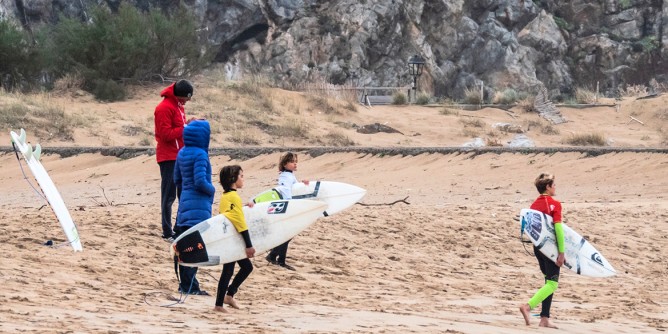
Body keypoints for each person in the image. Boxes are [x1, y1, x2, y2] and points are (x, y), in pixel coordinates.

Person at [173, 119, 215, 296]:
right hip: (198, 205)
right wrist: (211, 189)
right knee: (196, 248)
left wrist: (183, 196)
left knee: (185, 247)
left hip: (185, 204)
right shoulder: (200, 154)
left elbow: (177, 179)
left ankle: (187, 284)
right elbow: (200, 181)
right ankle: (190, 286)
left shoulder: (182, 152)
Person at [519, 173, 565, 329]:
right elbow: (558, 229)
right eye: (554, 185)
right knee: (552, 284)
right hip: (551, 249)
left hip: (538, 247)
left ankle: (544, 318)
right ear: (547, 187)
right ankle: (528, 306)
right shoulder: (555, 204)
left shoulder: (534, 205)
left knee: (548, 281)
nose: (555, 187)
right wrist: (561, 252)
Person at [154, 79, 195, 242]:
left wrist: (187, 124)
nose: (187, 101)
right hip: (168, 157)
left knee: (183, 194)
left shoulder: (179, 106)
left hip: (180, 155)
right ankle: (167, 231)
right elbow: (165, 135)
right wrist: (185, 128)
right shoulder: (163, 108)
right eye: (186, 98)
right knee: (168, 195)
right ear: (179, 95)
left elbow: (178, 129)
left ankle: (179, 228)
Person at [215, 165, 256, 313]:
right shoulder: (233, 197)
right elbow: (240, 223)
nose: (243, 179)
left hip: (229, 238)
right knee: (229, 270)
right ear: (233, 179)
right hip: (232, 240)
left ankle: (229, 296)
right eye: (241, 176)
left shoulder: (226, 196)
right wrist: (249, 245)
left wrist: (244, 208)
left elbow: (233, 215)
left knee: (245, 267)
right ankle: (219, 304)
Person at [262, 152, 309, 271]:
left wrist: (303, 185)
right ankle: (275, 257)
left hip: (288, 206)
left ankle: (277, 258)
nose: (295, 164)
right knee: (287, 234)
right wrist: (290, 205)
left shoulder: (290, 175)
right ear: (285, 164)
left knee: (288, 234)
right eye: (293, 162)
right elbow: (286, 191)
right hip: (286, 207)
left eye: (296, 161)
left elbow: (294, 189)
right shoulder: (285, 176)